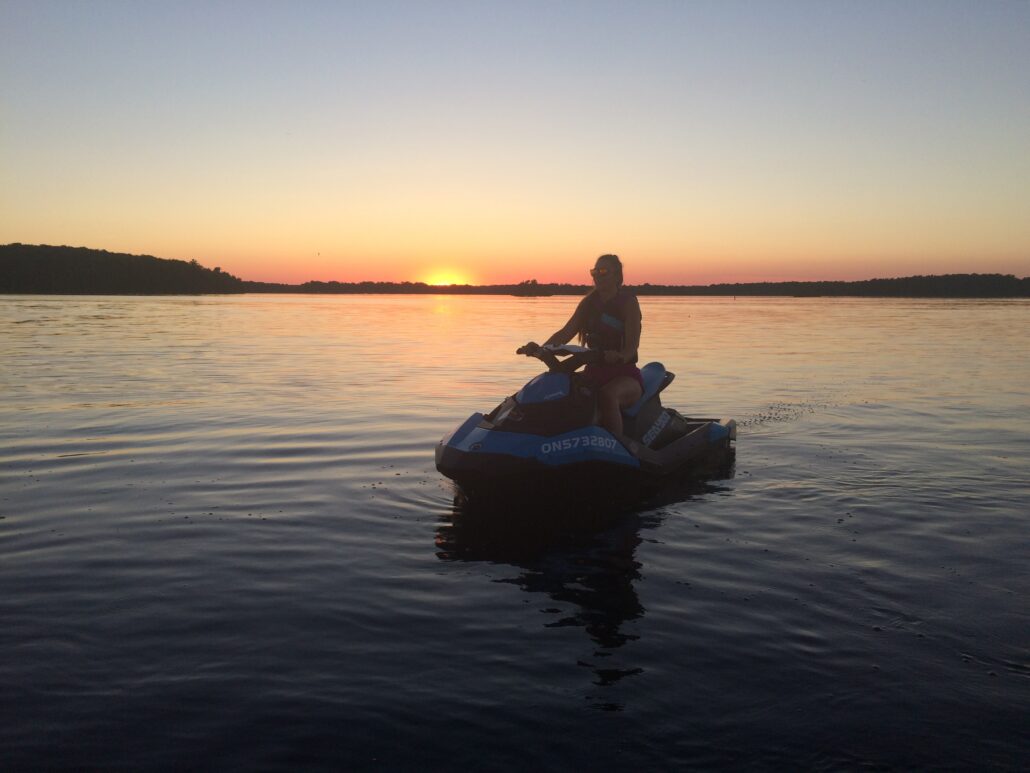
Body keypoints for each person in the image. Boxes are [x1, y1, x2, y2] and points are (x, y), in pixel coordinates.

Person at [520, 253, 643, 437]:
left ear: (617, 275)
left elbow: (632, 348)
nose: (597, 275)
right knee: (561, 390)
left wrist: (619, 356)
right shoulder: (588, 303)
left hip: (625, 374)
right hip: (593, 372)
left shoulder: (628, 303)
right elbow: (565, 333)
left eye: (603, 271)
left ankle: (615, 442)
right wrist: (541, 349)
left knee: (607, 395)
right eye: (594, 271)